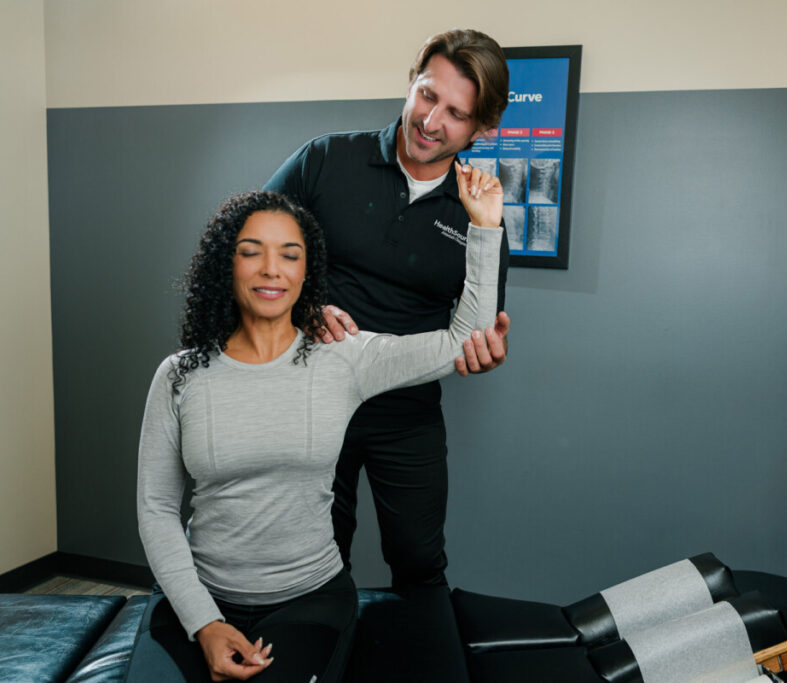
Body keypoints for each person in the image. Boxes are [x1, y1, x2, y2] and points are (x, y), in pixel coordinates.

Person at [129, 172, 503, 681]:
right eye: (251, 251)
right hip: (198, 594)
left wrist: (483, 227)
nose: (270, 269)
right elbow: (155, 508)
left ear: (308, 271)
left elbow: (464, 340)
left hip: (308, 600)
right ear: (226, 263)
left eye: (289, 254)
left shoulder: (343, 358)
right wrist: (205, 622)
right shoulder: (179, 375)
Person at [264, 28, 511, 589]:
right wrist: (304, 309)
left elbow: (478, 326)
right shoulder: (327, 159)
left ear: (481, 128)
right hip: (312, 396)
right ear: (411, 82)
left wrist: (487, 348)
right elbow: (248, 248)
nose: (430, 121)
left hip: (406, 412)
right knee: (318, 561)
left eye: (455, 113)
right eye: (427, 95)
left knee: (420, 562)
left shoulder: (480, 211)